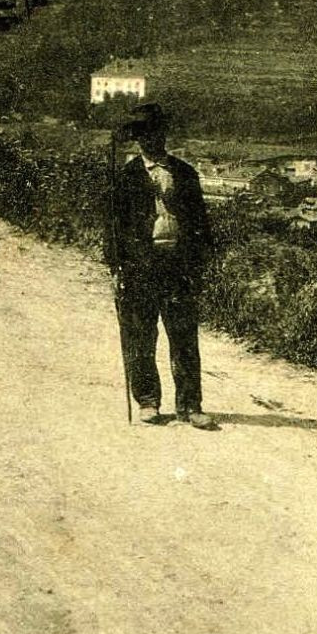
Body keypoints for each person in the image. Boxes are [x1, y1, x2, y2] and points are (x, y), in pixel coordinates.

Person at [106, 103, 216, 428]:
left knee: (183, 336)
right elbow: (113, 227)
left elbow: (200, 225)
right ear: (138, 140)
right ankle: (148, 401)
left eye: (155, 133)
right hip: (140, 268)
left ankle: (190, 406)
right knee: (141, 337)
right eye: (143, 135)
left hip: (178, 268)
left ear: (164, 135)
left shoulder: (185, 173)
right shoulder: (125, 178)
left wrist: (198, 267)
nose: (150, 140)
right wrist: (116, 268)